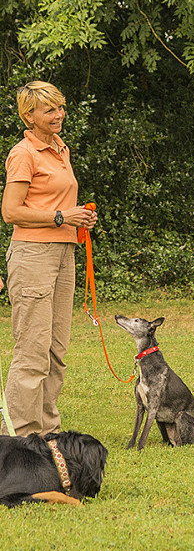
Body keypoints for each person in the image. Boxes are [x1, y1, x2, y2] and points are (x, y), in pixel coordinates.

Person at [1, 81, 97, 436]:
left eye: (61, 107)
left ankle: (48, 431)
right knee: (33, 349)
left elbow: (54, 203)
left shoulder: (59, 149)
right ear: (29, 115)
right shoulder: (23, 153)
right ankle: (20, 437)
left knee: (56, 349)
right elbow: (10, 211)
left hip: (62, 254)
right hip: (32, 256)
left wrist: (78, 217)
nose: (59, 115)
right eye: (49, 110)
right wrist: (60, 217)